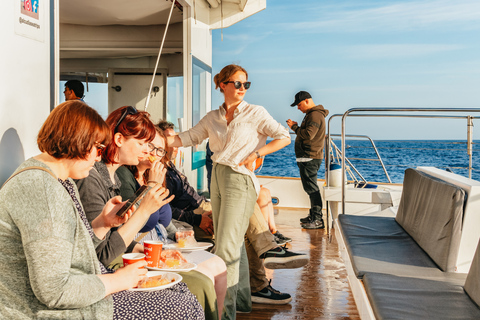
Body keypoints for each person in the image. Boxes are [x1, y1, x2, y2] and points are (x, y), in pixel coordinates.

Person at [0, 100, 204, 319]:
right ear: (76, 142)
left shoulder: (56, 179)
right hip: (42, 311)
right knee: (181, 306)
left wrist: (101, 224)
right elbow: (54, 291)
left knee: (180, 293)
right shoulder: (43, 190)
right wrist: (119, 280)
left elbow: (74, 251)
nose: (99, 156)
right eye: (97, 148)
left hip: (74, 294)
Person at [167, 64, 293, 319]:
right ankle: (243, 301)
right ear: (222, 85)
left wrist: (257, 153)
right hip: (218, 178)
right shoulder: (213, 117)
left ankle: (224, 312)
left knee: (225, 247)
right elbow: (189, 137)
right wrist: (158, 139)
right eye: (237, 83)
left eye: (246, 84)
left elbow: (283, 136)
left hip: (239, 179)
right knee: (232, 243)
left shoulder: (255, 112)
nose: (242, 88)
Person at [76, 106, 220, 319]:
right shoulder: (93, 179)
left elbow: (108, 240)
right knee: (195, 290)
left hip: (124, 259)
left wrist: (146, 248)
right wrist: (146, 206)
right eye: (142, 143)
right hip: (109, 271)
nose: (147, 151)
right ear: (118, 140)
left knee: (204, 282)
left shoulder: (112, 179)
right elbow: (103, 254)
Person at [160, 120, 309, 306]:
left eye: (174, 138)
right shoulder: (160, 171)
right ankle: (263, 270)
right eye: (168, 139)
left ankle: (260, 279)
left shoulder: (171, 167)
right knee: (244, 213)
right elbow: (164, 209)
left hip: (203, 207)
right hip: (195, 217)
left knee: (244, 210)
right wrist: (198, 219)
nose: (173, 144)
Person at [116, 124, 228, 319]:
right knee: (207, 276)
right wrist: (153, 185)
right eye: (150, 146)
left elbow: (163, 217)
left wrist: (176, 232)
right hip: (144, 248)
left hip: (165, 241)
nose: (155, 154)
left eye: (160, 150)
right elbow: (135, 218)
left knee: (219, 265)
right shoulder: (127, 177)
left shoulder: (154, 176)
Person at [287, 91, 329, 229]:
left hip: (309, 157)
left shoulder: (315, 115)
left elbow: (309, 135)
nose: (298, 108)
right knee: (310, 188)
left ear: (307, 101)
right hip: (307, 157)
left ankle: (317, 219)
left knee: (312, 189)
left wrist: (294, 127)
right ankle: (313, 215)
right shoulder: (312, 115)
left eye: (299, 104)